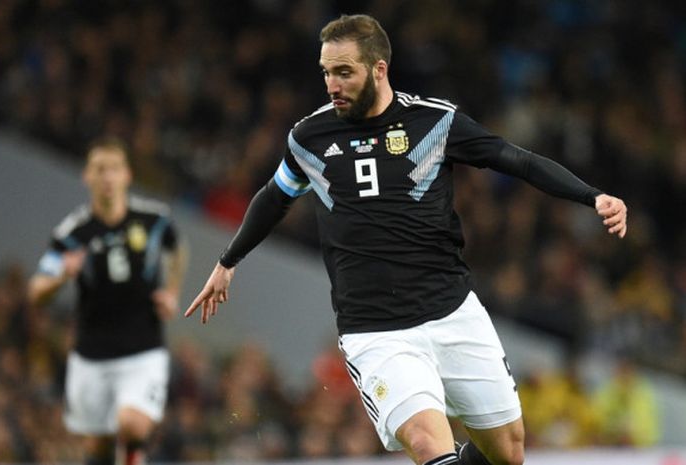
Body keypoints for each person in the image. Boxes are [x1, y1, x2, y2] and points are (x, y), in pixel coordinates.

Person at [185, 14, 627, 465]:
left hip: (451, 311)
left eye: (344, 72)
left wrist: (592, 197)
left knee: (508, 453)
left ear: (379, 69)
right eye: (326, 72)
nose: (331, 84)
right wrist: (227, 261)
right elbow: (273, 198)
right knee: (426, 441)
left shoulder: (434, 123)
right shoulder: (309, 138)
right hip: (375, 330)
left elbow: (517, 160)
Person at [28, 137, 187, 465]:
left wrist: (172, 290)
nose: (107, 177)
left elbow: (178, 248)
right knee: (98, 449)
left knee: (132, 425)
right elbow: (36, 290)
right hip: (92, 355)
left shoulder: (153, 219)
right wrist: (61, 276)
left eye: (114, 168)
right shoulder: (73, 233)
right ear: (87, 176)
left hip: (143, 349)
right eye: (99, 169)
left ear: (127, 174)